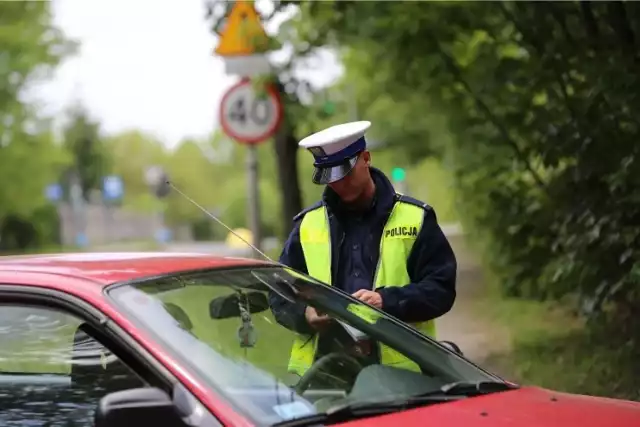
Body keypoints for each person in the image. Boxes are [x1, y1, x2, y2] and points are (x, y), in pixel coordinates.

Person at [269, 121, 457, 383]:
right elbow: (279, 293)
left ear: (366, 158)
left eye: (343, 173)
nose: (337, 183)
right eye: (329, 176)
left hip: (404, 379)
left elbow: (441, 290)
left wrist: (386, 301)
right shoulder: (307, 225)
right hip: (326, 377)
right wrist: (305, 315)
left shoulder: (415, 218)